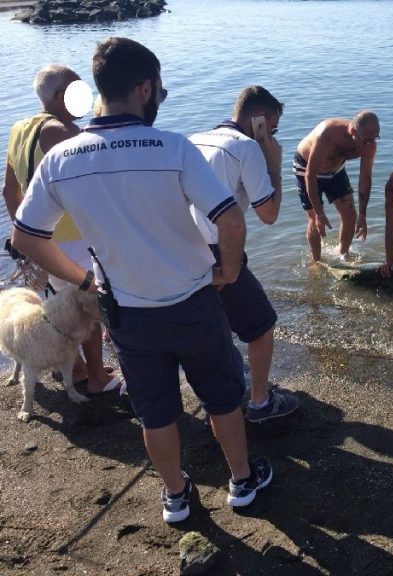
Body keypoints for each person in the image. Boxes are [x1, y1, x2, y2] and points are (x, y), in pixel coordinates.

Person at [11, 37, 270, 524]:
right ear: (144, 88)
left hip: (126, 310)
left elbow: (26, 236)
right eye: (160, 92)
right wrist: (228, 272)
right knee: (220, 397)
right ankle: (241, 481)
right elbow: (230, 219)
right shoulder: (173, 147)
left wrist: (83, 281)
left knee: (155, 411)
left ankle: (175, 496)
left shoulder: (62, 159)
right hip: (193, 301)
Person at [2, 64, 118, 395]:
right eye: (76, 90)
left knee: (64, 307)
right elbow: (103, 180)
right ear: (58, 96)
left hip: (44, 240)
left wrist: (25, 235)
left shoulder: (20, 129)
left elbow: (10, 191)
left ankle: (79, 368)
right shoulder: (61, 133)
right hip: (73, 239)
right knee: (89, 308)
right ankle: (96, 377)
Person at [189, 85, 299, 422]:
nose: (274, 135)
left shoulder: (194, 140)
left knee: (216, 327)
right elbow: (269, 214)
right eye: (274, 128)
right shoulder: (247, 148)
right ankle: (261, 404)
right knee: (262, 327)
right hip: (220, 252)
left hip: (186, 251)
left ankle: (225, 394)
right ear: (260, 121)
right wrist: (275, 164)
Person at [294, 111, 379, 262]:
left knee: (350, 214)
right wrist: (320, 214)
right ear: (352, 131)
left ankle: (343, 254)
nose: (370, 144)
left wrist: (363, 214)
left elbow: (365, 178)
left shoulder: (370, 144)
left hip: (336, 169)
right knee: (313, 218)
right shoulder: (327, 134)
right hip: (306, 168)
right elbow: (310, 175)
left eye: (374, 139)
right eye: (366, 140)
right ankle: (317, 262)